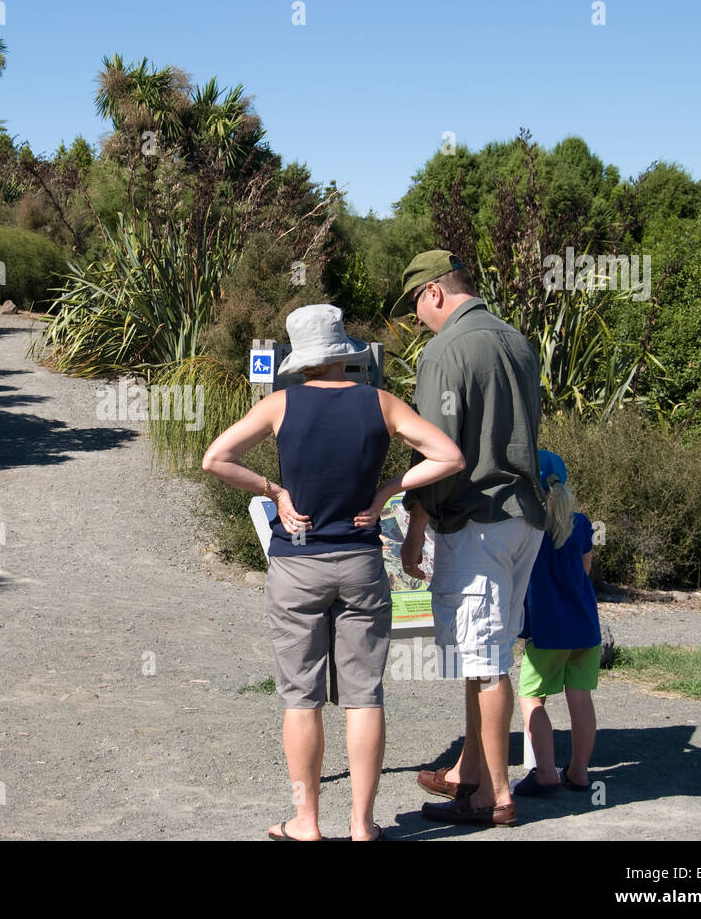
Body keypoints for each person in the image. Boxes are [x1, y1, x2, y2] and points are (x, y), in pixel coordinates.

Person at [201, 303, 464, 841]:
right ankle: (363, 825)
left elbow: (215, 458)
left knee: (302, 698)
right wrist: (390, 489)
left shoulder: (280, 405)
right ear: (346, 354)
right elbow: (449, 456)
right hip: (362, 562)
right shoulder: (381, 403)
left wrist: (273, 491)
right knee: (364, 696)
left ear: (301, 359)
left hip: (296, 563)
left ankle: (306, 822)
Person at [388, 250, 547, 828]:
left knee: (484, 662)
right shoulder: (518, 341)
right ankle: (471, 772)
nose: (416, 318)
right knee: (490, 654)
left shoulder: (447, 349)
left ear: (433, 292)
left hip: (476, 518)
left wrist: (414, 528)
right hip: (522, 516)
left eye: (414, 305)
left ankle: (492, 798)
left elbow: (438, 451)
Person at [513, 450, 600, 796]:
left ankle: (545, 772)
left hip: (547, 632)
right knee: (580, 698)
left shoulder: (527, 527)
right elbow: (585, 571)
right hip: (585, 627)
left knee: (531, 697)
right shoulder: (581, 523)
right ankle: (579, 772)